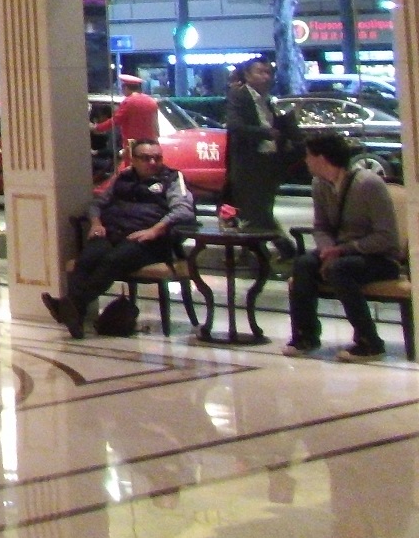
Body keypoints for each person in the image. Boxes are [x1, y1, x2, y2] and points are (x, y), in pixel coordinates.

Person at [41, 139, 194, 338]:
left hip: (148, 240)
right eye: (146, 158)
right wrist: (96, 224)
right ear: (134, 160)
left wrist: (155, 230)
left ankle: (71, 306)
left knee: (113, 260)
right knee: (88, 257)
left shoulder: (172, 178)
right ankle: (74, 315)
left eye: (157, 158)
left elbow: (184, 210)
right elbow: (96, 204)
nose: (153, 162)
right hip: (112, 232)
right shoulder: (123, 177)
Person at [284, 131, 403, 362]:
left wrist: (342, 250)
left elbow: (386, 237)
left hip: (378, 258)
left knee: (340, 269)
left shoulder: (368, 184)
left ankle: (369, 341)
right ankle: (305, 335)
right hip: (339, 254)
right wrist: (328, 249)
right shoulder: (319, 184)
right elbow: (321, 226)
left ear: (322, 158)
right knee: (304, 263)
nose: (306, 160)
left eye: (309, 155)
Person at [224, 56, 289, 241]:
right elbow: (234, 126)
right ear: (248, 75)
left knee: (262, 211)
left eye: (268, 72)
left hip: (269, 163)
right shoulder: (240, 95)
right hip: (249, 165)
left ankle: (257, 251)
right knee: (256, 212)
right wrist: (266, 133)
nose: (266, 77)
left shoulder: (269, 99)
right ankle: (284, 249)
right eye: (260, 72)